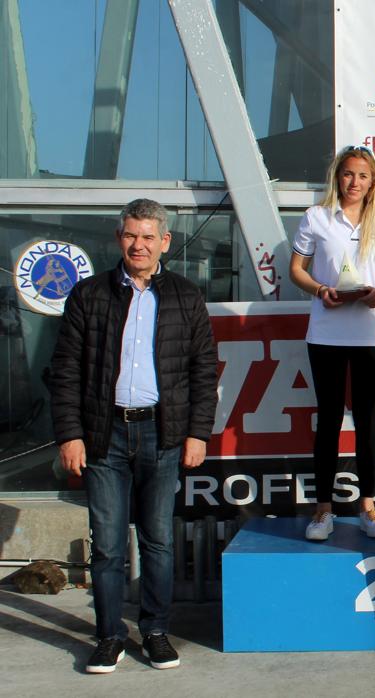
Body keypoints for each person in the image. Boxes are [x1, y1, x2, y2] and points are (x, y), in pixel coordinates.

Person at [50, 198, 219, 673]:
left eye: (148, 236)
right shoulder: (89, 295)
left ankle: (156, 631)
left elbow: (203, 371)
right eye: (130, 235)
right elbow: (65, 371)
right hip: (104, 436)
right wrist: (70, 433)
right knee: (106, 545)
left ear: (165, 241)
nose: (138, 245)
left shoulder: (186, 296)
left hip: (162, 436)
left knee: (159, 540)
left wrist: (197, 433)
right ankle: (108, 636)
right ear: (118, 238)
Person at [288, 145, 375, 541]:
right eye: (349, 174)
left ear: (373, 183)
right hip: (327, 334)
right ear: (338, 177)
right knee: (330, 419)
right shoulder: (316, 217)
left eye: (363, 176)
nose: (355, 182)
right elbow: (296, 269)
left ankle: (369, 506)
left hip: (371, 333)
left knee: (369, 420)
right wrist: (320, 290)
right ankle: (323, 510)